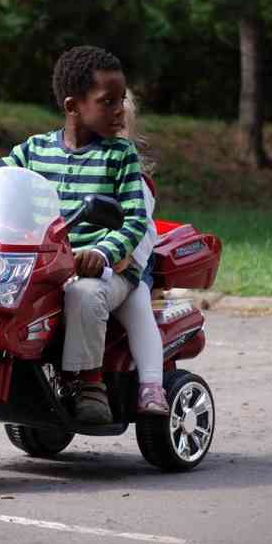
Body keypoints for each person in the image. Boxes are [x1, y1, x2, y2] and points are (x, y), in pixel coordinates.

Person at [0, 45, 147, 424]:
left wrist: (102, 252)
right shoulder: (34, 149)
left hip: (100, 270)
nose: (121, 109)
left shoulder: (121, 156)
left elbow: (135, 220)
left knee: (83, 294)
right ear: (73, 106)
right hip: (42, 264)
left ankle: (87, 381)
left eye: (121, 99)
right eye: (109, 101)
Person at [111, 90, 169, 415]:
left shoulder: (136, 182)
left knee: (136, 306)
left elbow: (141, 233)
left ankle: (151, 385)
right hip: (72, 260)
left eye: (118, 130)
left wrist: (127, 261)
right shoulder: (74, 171)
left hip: (128, 266)